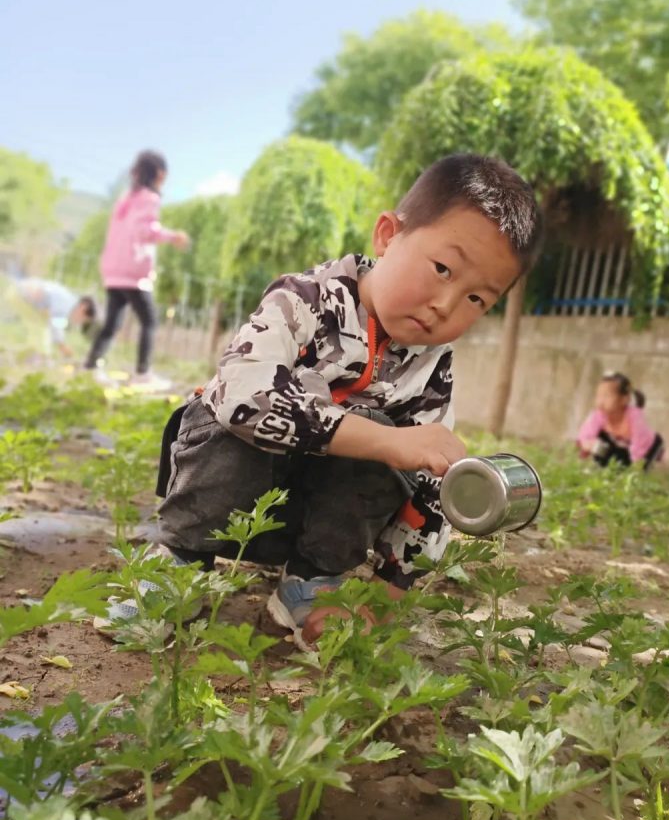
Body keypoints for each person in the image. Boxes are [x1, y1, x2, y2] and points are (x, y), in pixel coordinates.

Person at [97, 154, 543, 648]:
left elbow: (435, 482)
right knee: (234, 415)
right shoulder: (305, 299)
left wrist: (388, 592)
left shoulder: (431, 366)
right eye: (442, 268)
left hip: (303, 527)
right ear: (388, 235)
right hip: (228, 505)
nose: (446, 305)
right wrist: (385, 441)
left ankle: (308, 585)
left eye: (477, 299)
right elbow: (243, 392)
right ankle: (180, 566)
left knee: (408, 455)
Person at [85, 150, 189, 385]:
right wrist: (174, 237)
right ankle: (143, 374)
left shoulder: (126, 198)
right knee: (150, 321)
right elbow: (145, 231)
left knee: (112, 323)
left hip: (113, 270)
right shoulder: (149, 198)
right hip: (133, 272)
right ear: (160, 174)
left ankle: (90, 368)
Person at [577, 371, 664, 471]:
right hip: (622, 448)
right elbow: (585, 435)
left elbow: (640, 444)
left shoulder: (634, 416)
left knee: (643, 470)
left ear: (624, 399)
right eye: (598, 396)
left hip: (646, 448)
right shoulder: (599, 415)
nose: (601, 401)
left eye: (606, 396)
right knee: (597, 441)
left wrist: (635, 469)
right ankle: (605, 469)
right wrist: (587, 446)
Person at [10, 276, 96, 359]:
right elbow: (55, 324)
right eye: (83, 319)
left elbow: (55, 322)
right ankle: (37, 357)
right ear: (83, 308)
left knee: (41, 327)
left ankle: (36, 356)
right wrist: (62, 346)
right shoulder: (68, 305)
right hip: (20, 293)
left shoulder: (70, 302)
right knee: (41, 330)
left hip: (21, 292)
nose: (80, 322)